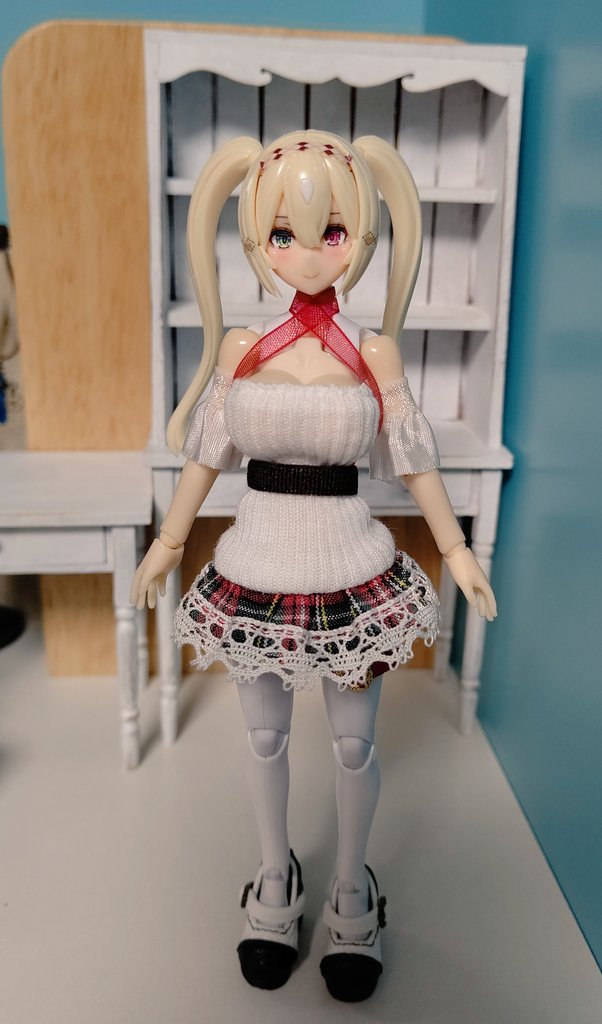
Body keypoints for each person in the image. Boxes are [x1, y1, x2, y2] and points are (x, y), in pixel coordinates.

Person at [130, 130, 496, 1002]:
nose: (304, 253)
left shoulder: (374, 355)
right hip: (257, 562)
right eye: (281, 234)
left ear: (362, 236)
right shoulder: (240, 352)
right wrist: (170, 540)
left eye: (329, 232)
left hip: (350, 569)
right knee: (263, 735)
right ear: (254, 241)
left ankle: (353, 887)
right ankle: (273, 875)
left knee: (354, 742)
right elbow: (205, 458)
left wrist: (454, 547)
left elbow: (414, 458)